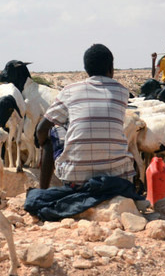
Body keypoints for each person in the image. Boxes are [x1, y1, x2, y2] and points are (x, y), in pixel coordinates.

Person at [35, 43, 134, 189]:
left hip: (76, 179)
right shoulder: (122, 92)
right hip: (118, 176)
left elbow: (41, 129)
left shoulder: (70, 90)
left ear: (86, 70)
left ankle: (43, 191)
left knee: (53, 133)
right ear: (111, 69)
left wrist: (44, 142)